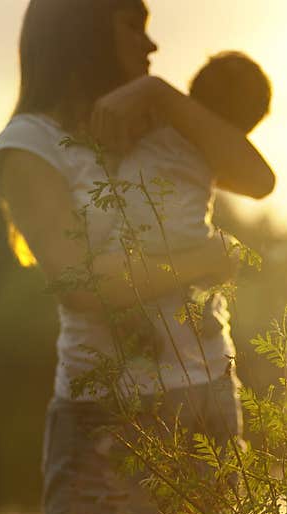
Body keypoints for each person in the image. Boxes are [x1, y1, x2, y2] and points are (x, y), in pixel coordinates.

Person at [0, 0, 275, 514]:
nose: (152, 47)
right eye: (133, 27)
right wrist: (209, 256)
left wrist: (164, 96)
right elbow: (82, 286)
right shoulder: (30, 142)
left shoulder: (157, 121)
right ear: (83, 32)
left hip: (204, 393)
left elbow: (258, 179)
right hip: (106, 415)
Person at [109, 51, 272, 348]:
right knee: (217, 255)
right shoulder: (212, 149)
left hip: (132, 234)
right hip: (186, 240)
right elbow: (263, 182)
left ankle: (134, 321)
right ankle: (204, 314)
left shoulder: (153, 121)